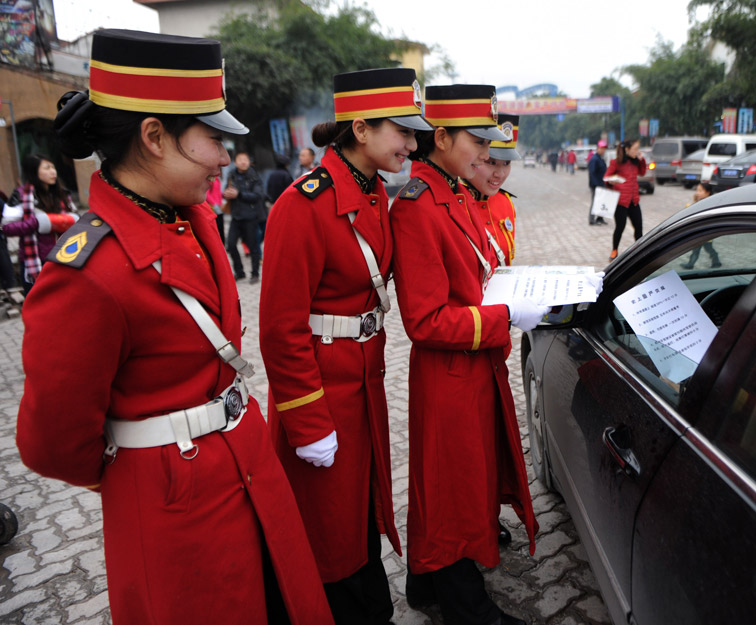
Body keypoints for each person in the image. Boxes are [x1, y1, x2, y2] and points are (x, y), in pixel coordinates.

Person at [15, 29, 334, 625]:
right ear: (154, 136)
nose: (222, 155)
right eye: (211, 137)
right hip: (173, 508)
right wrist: (147, 463)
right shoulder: (87, 273)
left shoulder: (193, 219)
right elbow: (52, 443)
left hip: (249, 471)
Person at [259, 67, 432, 625]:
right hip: (322, 392)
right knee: (327, 531)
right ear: (360, 128)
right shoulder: (302, 204)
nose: (411, 143)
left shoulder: (374, 191)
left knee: (358, 513)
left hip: (365, 381)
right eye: (401, 131)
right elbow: (279, 329)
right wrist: (307, 423)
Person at [390, 83, 544, 625]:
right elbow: (425, 320)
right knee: (454, 486)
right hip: (449, 369)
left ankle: (424, 582)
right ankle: (465, 605)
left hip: (475, 362)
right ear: (441, 137)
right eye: (476, 140)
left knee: (457, 481)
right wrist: (507, 317)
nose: (486, 153)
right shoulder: (416, 204)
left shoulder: (455, 191)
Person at [1, 154, 79, 295]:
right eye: (47, 168)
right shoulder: (21, 195)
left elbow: (77, 218)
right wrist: (36, 223)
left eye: (53, 167)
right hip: (36, 261)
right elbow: (6, 227)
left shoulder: (62, 194)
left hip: (66, 257)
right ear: (33, 171)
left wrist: (70, 219)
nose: (53, 171)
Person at [465, 113, 519, 269]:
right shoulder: (454, 203)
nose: (500, 174)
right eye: (491, 162)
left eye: (506, 163)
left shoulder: (505, 202)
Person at [224, 151, 264, 283]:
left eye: (245, 159)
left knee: (253, 247)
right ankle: (240, 272)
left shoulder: (254, 177)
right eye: (240, 159)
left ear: (249, 162)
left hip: (250, 217)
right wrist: (226, 194)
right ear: (235, 162)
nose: (243, 162)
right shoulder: (232, 175)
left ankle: (255, 273)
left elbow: (258, 196)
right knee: (230, 245)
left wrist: (239, 194)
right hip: (236, 216)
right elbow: (226, 191)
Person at [605, 138, 647, 260]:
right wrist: (613, 181)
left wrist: (642, 160)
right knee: (620, 227)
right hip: (621, 202)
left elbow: (642, 173)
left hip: (634, 200)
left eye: (638, 149)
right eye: (635, 149)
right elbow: (607, 177)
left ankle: (640, 251)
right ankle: (614, 250)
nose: (637, 151)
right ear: (627, 149)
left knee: (638, 226)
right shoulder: (616, 162)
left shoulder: (636, 162)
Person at [680, 182, 721, 269]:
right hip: (700, 232)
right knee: (698, 249)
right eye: (697, 190)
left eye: (700, 190)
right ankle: (692, 264)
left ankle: (715, 261)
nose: (697, 192)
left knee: (707, 249)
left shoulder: (710, 204)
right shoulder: (699, 202)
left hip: (706, 233)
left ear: (708, 192)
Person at [587, 139, 608, 226]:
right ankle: (591, 220)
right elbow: (592, 173)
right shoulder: (594, 159)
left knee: (601, 202)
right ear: (598, 148)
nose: (603, 150)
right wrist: (596, 185)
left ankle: (600, 218)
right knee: (595, 202)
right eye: (601, 148)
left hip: (601, 183)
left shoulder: (600, 159)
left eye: (604, 148)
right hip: (596, 185)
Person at [206, 175, 225, 241]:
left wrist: (221, 203)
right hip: (213, 208)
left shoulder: (218, 178)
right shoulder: (210, 178)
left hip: (219, 208)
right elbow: (207, 194)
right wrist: (214, 204)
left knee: (221, 230)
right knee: (215, 230)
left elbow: (219, 193)